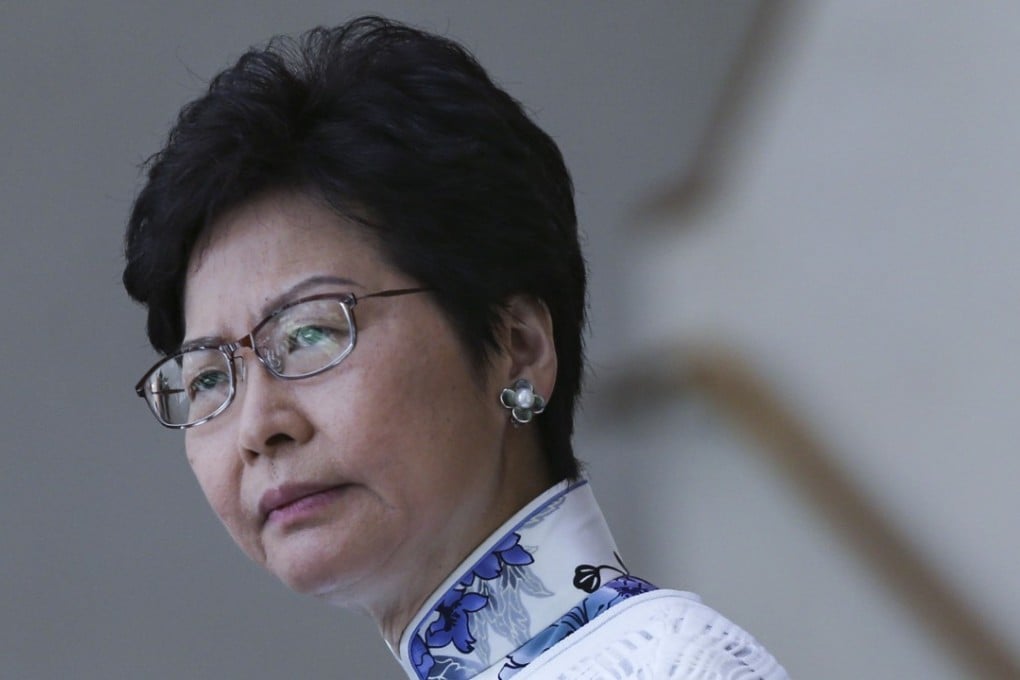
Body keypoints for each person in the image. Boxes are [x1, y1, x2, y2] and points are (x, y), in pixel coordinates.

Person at [123, 16, 788, 680]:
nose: (258, 428)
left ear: (518, 348)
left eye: (310, 334)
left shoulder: (672, 668)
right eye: (209, 377)